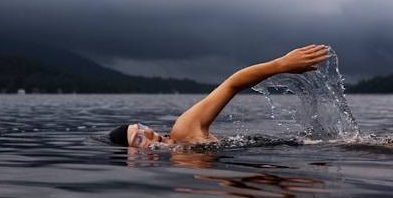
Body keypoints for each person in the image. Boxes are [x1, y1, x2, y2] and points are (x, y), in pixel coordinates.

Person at [109, 44, 330, 148]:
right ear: (133, 157)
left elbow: (231, 85)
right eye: (138, 138)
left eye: (141, 126)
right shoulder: (180, 154)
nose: (147, 131)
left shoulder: (183, 132)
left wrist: (280, 65)